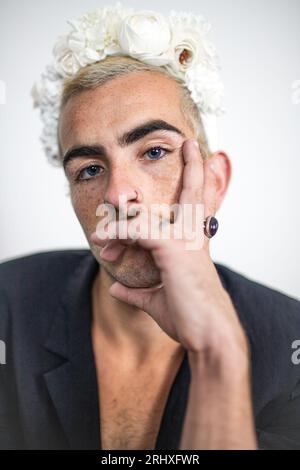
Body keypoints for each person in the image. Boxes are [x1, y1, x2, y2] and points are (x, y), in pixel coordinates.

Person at [0, 3, 300, 450]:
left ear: (213, 182)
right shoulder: (7, 302)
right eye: (89, 169)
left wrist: (217, 349)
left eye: (154, 151)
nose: (119, 195)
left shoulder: (291, 344)